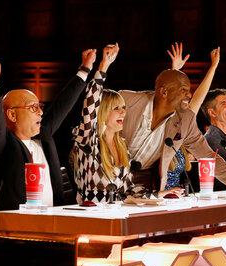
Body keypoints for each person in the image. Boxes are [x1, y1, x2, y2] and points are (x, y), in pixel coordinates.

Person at [119, 66, 226, 196]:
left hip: (141, 186)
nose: (189, 95)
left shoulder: (185, 120)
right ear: (164, 92)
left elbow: (207, 154)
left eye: (189, 91)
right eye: (184, 90)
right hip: (106, 177)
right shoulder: (126, 101)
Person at [0, 50, 95, 210]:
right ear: (12, 115)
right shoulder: (2, 144)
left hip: (56, 221)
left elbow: (61, 106)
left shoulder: (43, 136)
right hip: (19, 227)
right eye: (33, 108)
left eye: (39, 107)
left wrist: (85, 69)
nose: (40, 112)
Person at [71, 44, 183, 204]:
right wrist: (104, 65)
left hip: (118, 216)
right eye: (116, 108)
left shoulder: (121, 146)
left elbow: (128, 194)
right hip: (92, 217)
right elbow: (91, 103)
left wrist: (158, 194)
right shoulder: (88, 138)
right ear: (101, 112)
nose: (123, 112)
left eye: (124, 108)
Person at [165, 43, 220, 190]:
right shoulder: (161, 124)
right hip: (156, 198)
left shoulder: (183, 125)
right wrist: (174, 70)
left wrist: (213, 67)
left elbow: (199, 98)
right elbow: (162, 97)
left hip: (177, 196)